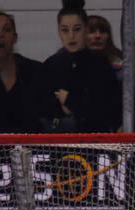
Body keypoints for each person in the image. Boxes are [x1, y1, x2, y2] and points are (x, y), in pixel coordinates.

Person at [35, 2, 121, 133]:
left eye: (76, 29)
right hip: (58, 143)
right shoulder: (51, 65)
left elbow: (108, 111)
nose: (71, 36)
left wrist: (71, 102)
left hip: (94, 142)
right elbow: (41, 109)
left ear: (86, 29)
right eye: (65, 30)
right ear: (58, 31)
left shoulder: (100, 65)